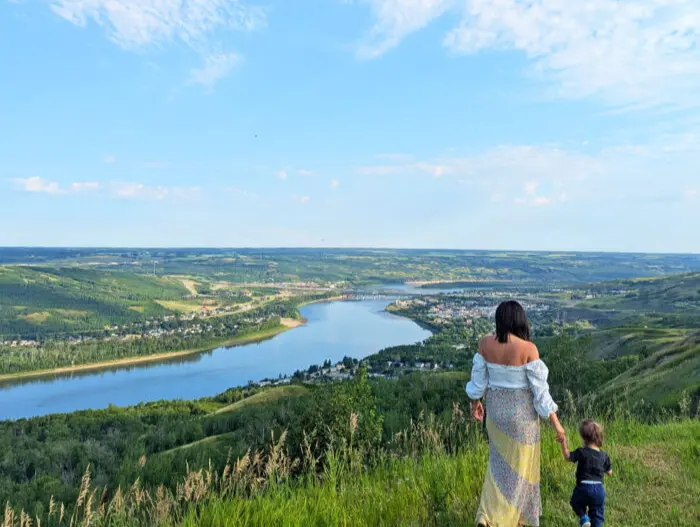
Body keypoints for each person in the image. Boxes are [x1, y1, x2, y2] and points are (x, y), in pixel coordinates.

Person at [467, 300, 565, 527]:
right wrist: (556, 424)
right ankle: (519, 519)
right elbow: (541, 395)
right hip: (522, 418)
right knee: (523, 470)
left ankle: (487, 516)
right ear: (520, 320)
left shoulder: (485, 344)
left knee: (497, 467)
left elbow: (477, 384)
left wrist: (475, 405)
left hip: (496, 415)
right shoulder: (528, 349)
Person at [559, 420, 612, 527]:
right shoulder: (604, 455)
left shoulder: (581, 451)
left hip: (583, 487)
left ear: (584, 438)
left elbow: (567, 456)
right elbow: (610, 472)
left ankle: (583, 517)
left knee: (575, 502)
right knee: (597, 515)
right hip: (598, 490)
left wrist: (564, 443)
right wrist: (606, 470)